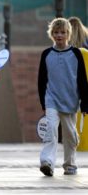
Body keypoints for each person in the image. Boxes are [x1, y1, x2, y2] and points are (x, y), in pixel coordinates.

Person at [38, 17, 88, 176]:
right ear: (51, 34)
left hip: (70, 101)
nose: (59, 35)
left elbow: (82, 80)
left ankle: (70, 164)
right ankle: (47, 162)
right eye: (56, 32)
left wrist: (85, 103)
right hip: (51, 100)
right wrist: (43, 103)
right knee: (51, 130)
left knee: (70, 136)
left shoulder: (76, 54)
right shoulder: (46, 54)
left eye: (63, 32)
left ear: (68, 34)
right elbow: (41, 80)